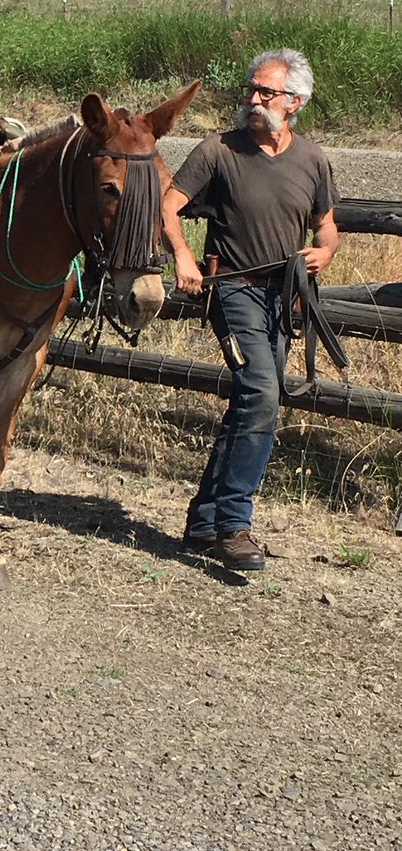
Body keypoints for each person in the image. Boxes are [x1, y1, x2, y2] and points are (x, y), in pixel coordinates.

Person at [161, 48, 340, 571]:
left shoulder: (313, 159)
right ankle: (234, 526)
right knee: (262, 390)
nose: (255, 99)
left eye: (267, 92)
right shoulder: (218, 150)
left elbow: (326, 224)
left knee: (251, 401)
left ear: (296, 102)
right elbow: (166, 207)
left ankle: (203, 521)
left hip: (284, 298)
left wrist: (325, 250)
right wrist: (184, 255)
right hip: (232, 292)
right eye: (253, 89)